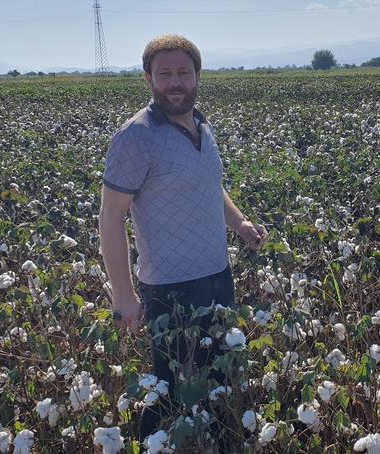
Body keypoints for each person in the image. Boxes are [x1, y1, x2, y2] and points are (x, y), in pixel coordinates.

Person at [97, 34, 268, 444]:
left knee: (221, 376)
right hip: (170, 288)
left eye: (183, 73)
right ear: (148, 79)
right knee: (174, 387)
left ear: (197, 77)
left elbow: (211, 187)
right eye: (165, 73)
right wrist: (123, 296)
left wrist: (240, 224)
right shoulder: (135, 138)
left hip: (217, 275)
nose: (175, 82)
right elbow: (110, 217)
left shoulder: (203, 127)